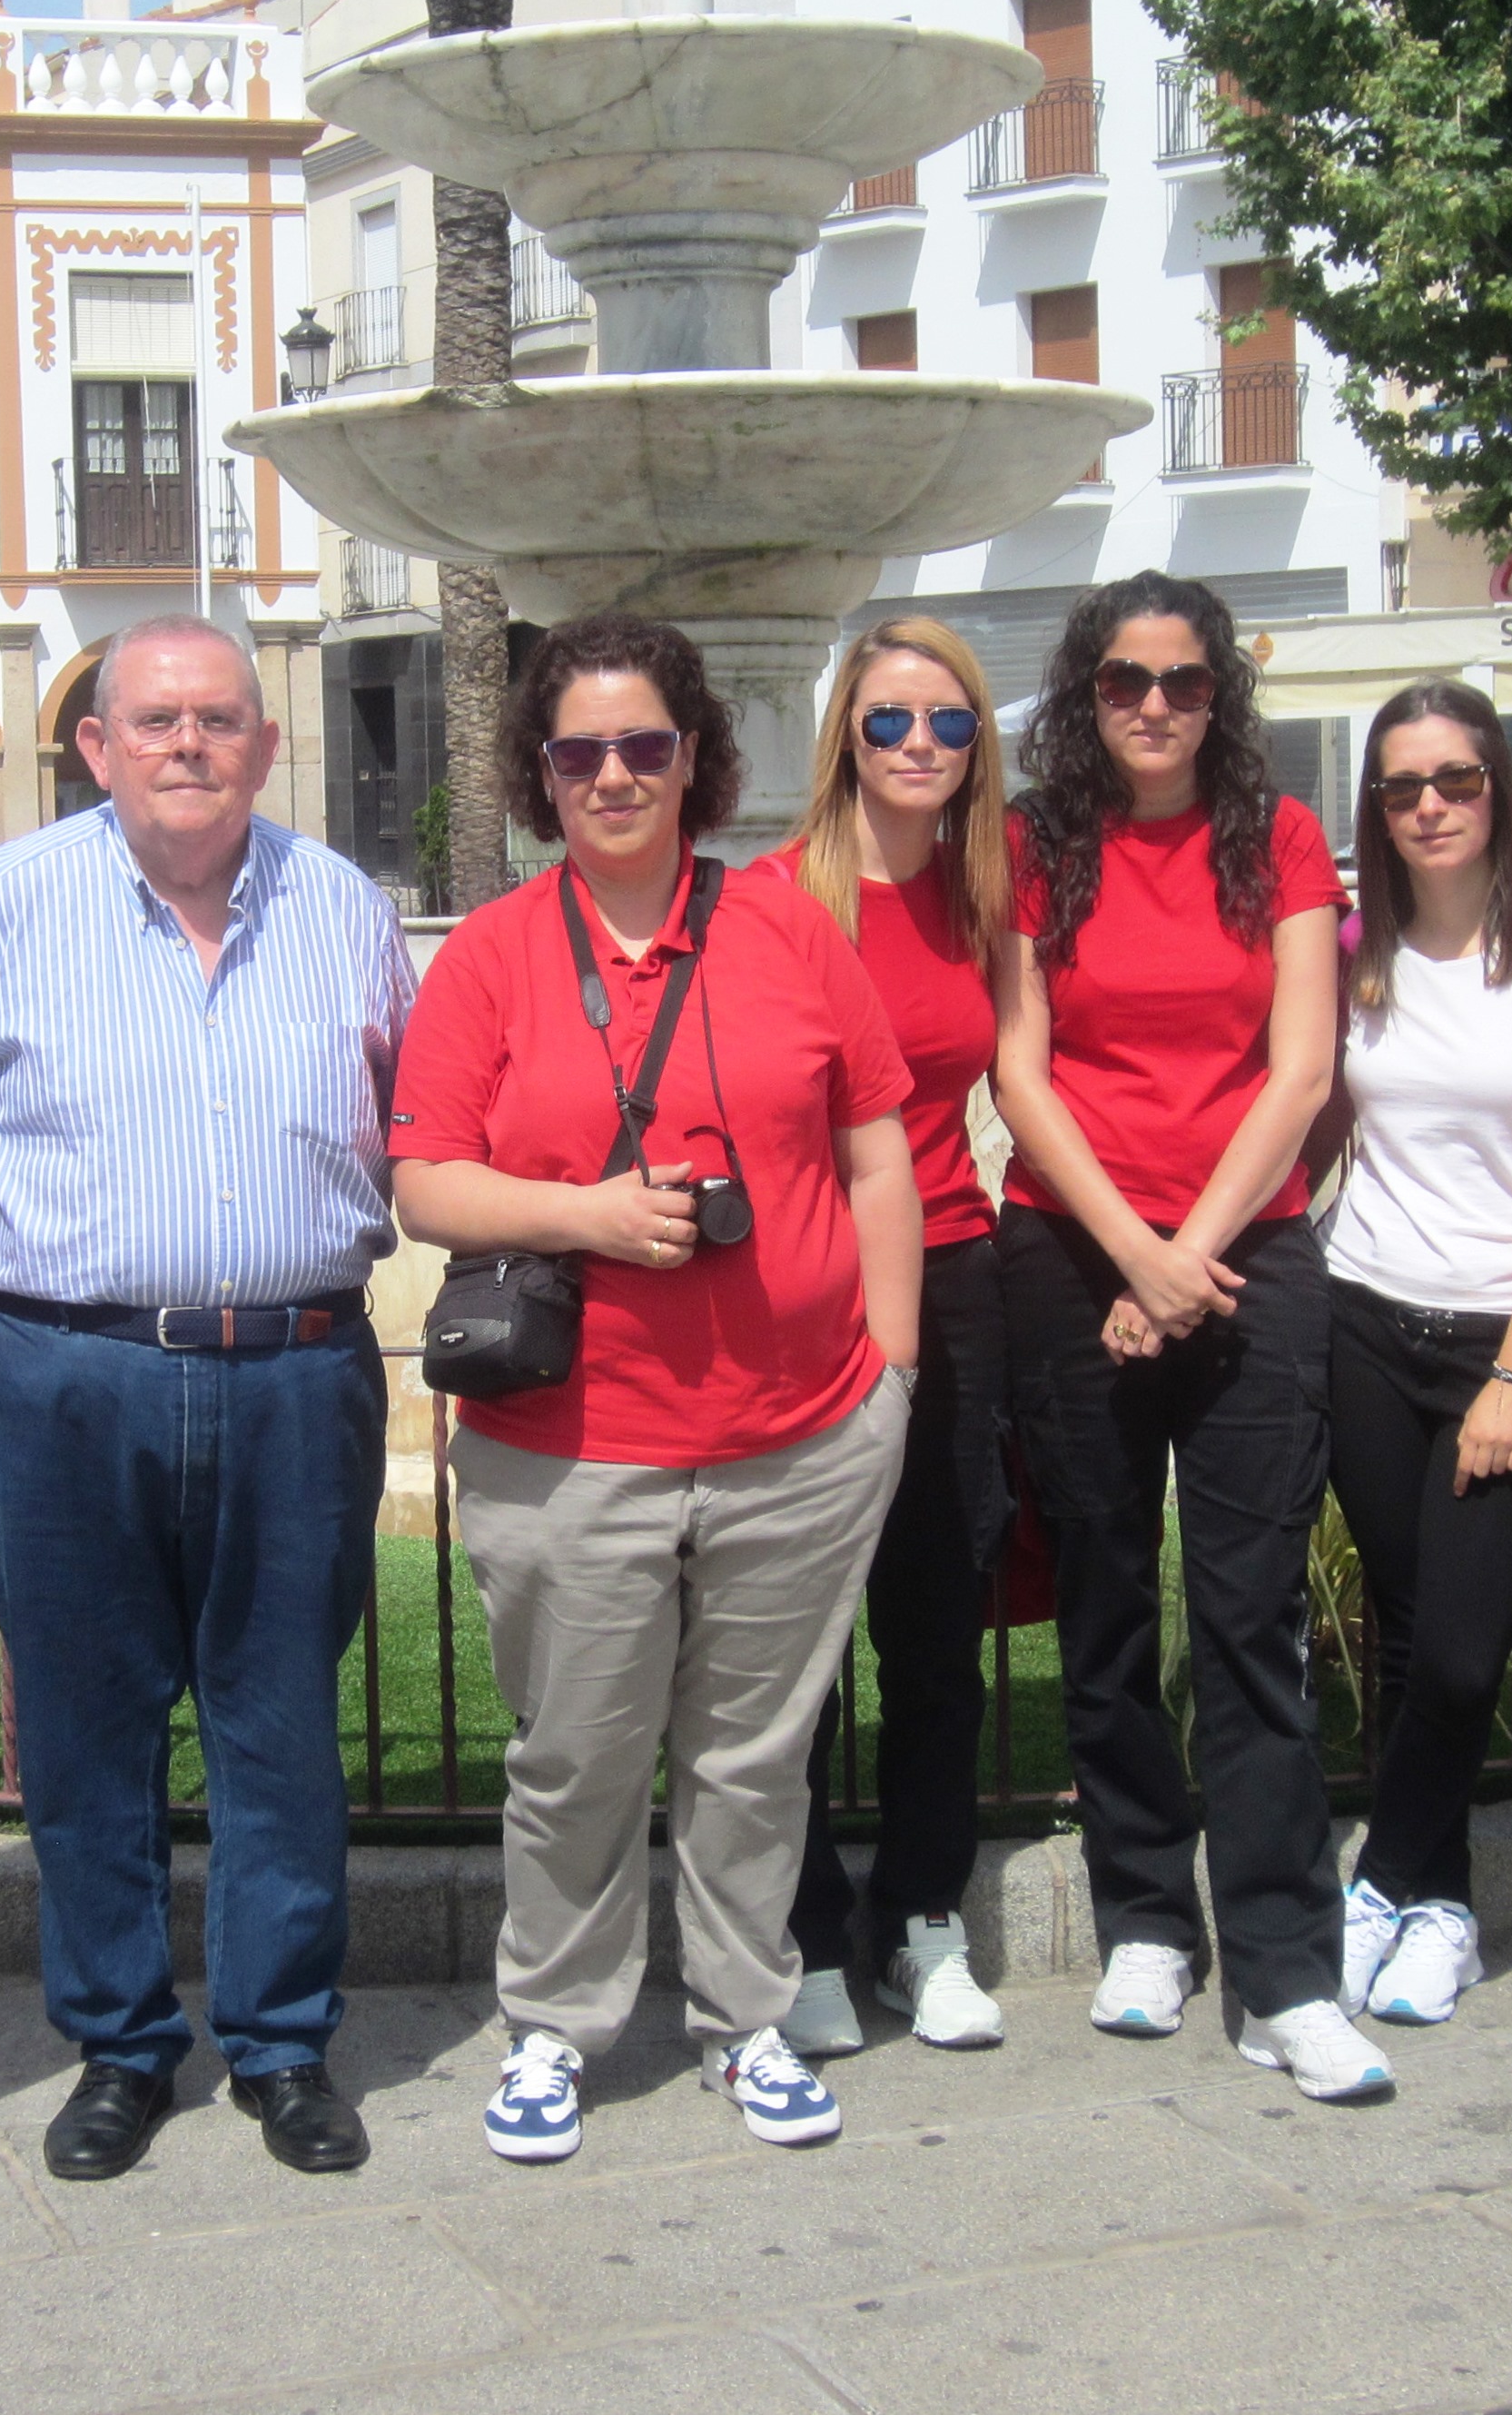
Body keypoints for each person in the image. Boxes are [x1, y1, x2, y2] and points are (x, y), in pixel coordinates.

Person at [393, 612, 921, 2163]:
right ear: (538, 777)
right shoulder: (493, 952)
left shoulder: (784, 927)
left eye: (644, 745)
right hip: (573, 1444)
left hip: (800, 1431)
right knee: (576, 1757)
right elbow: (425, 1180)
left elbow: (875, 1143)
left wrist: (887, 1364)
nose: (613, 774)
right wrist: (592, 1216)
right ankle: (553, 2025)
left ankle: (746, 2017)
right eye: (578, 752)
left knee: (756, 1756)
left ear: (695, 757)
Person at [0, 617, 413, 2184]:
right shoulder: (6, 904)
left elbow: (407, 1112)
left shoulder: (342, 907)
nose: (187, 745)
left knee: (277, 1723)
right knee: (84, 1721)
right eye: (155, 720)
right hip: (62, 1368)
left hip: (293, 1370)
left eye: (218, 720)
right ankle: (120, 2042)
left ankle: (280, 2043)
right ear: (96, 746)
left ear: (265, 746)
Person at [992, 571, 1386, 2102]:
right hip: (1076, 1249)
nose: (1153, 706)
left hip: (1246, 1258)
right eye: (1121, 681)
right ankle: (1146, 1915)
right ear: (1082, 695)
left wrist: (1186, 1260)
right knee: (1103, 1609)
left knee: (1249, 1616)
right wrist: (1132, 1253)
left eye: (1183, 682)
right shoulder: (1033, 848)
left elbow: (1297, 1073)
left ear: (1220, 696)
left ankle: (1286, 1971)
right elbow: (1020, 1075)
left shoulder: (1279, 840)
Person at [1322, 682, 1512, 2026]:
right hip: (1362, 1323)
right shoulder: (1347, 957)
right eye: (1401, 787)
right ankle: (1440, 1911)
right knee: (1405, 1641)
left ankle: (1378, 1882)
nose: (1430, 805)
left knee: (1459, 1651)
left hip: (1508, 1346)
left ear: (1497, 788)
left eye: (1453, 778)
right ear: (1374, 811)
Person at [762, 617, 1020, 2056]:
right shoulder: (779, 902)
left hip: (960, 1274)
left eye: (948, 724)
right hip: (812, 1290)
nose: (919, 745)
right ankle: (799, 1925)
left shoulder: (988, 892)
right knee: (792, 1629)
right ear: (842, 740)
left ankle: (922, 1913)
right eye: (888, 722)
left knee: (935, 1624)